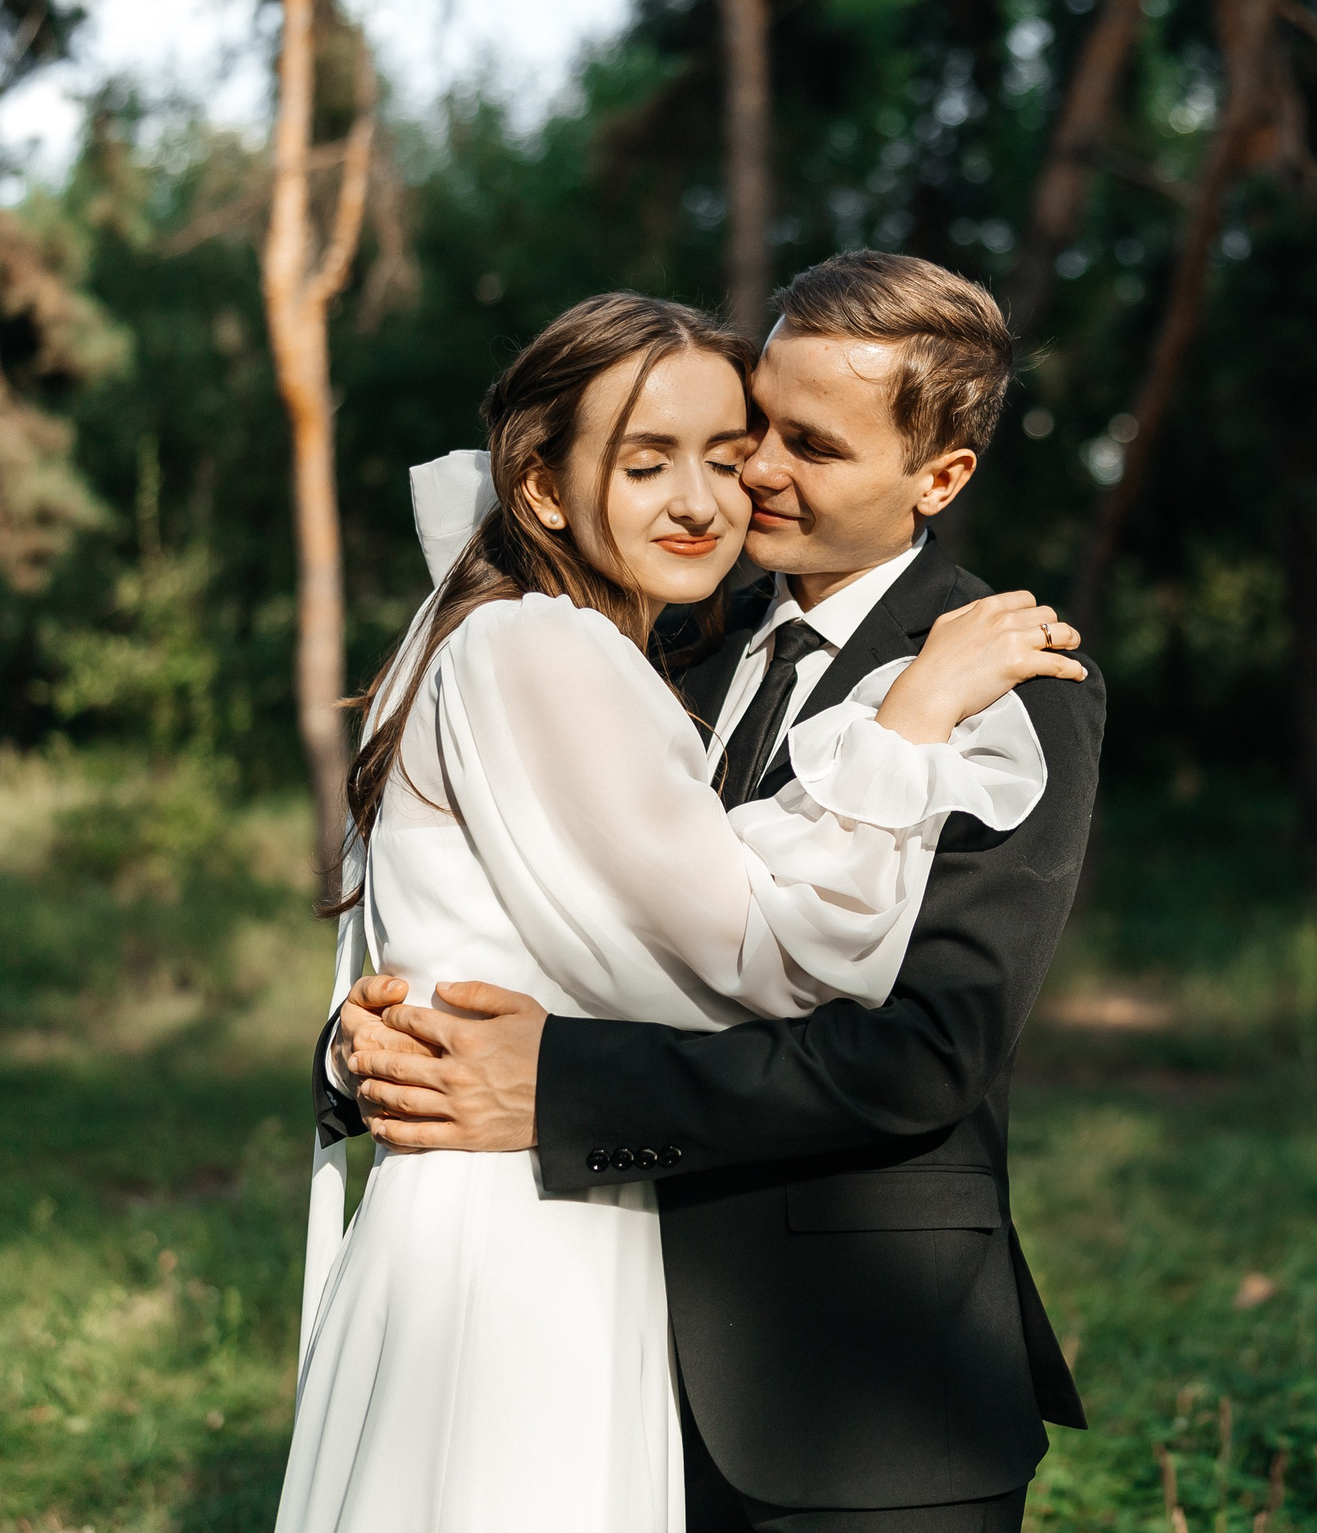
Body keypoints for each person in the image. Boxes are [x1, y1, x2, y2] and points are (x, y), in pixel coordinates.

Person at [278, 287, 1086, 1533]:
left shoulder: (995, 681)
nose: (750, 475)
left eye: (806, 447)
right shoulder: (652, 635)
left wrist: (550, 1093)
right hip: (593, 1320)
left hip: (855, 1392)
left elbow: (924, 1052)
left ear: (941, 475)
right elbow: (513, 909)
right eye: (752, 426)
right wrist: (366, 1052)